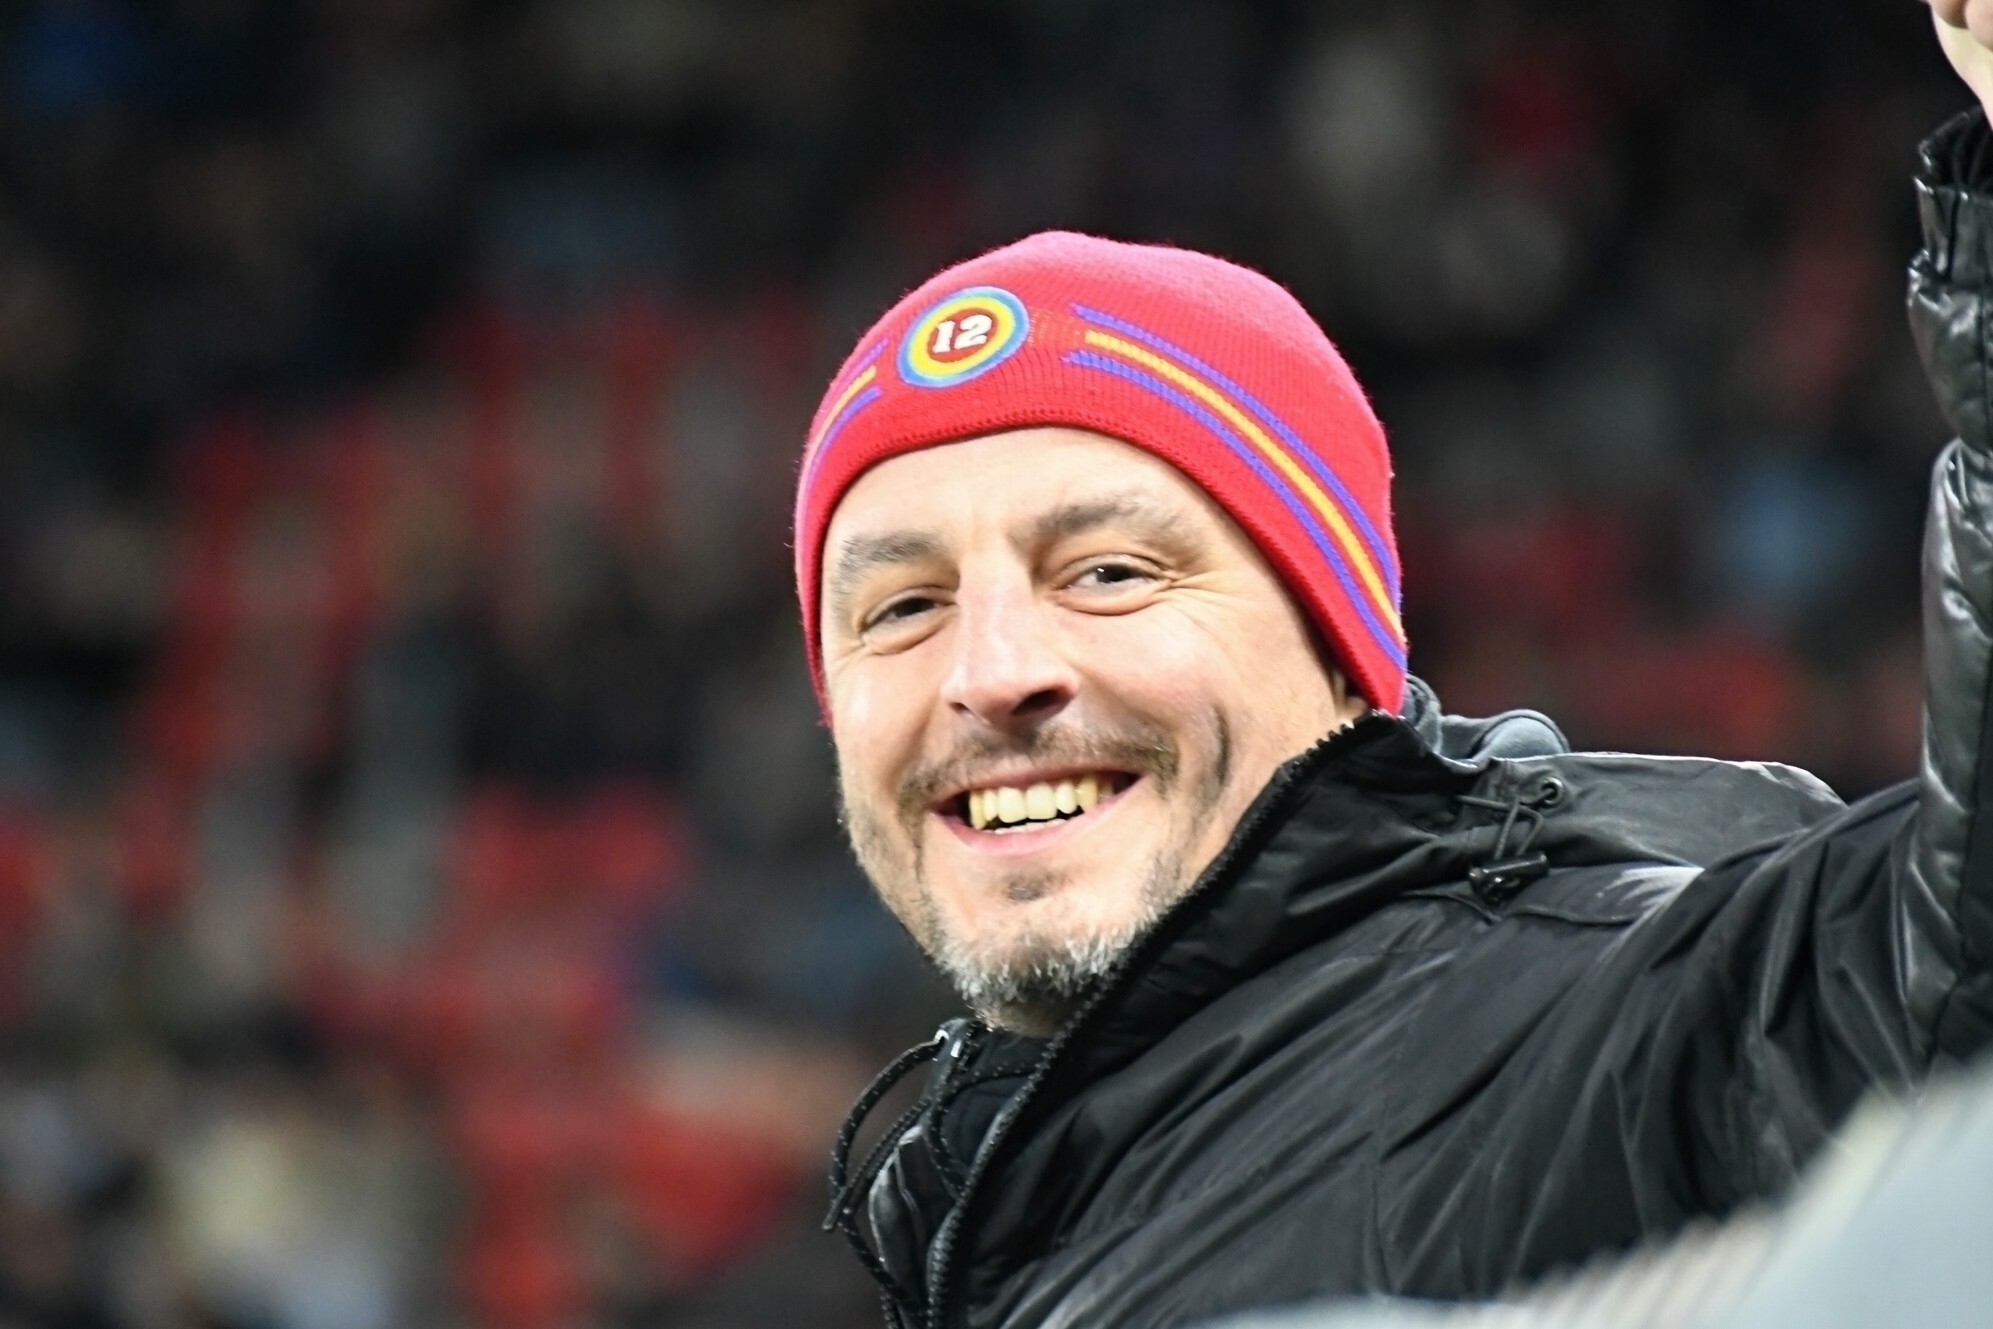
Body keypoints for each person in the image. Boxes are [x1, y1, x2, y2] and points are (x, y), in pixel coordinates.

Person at [796, 8, 1993, 1327]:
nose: (989, 670)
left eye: (1109, 573)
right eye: (901, 607)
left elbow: (1948, 982)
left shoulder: (1588, 1034)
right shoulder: (977, 1200)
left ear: (1337, 649)